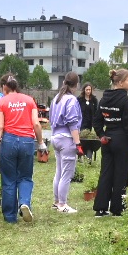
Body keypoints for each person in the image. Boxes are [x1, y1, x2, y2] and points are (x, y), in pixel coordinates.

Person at [0, 74, 45, 222]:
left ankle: (10, 216)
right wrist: (41, 143)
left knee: (8, 179)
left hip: (9, 142)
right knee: (25, 177)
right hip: (27, 142)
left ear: (4, 87)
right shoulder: (29, 100)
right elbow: (36, 124)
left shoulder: (1, 102)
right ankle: (24, 203)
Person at [94, 68, 128, 217]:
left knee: (106, 173)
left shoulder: (104, 98)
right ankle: (117, 208)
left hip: (107, 140)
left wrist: (101, 135)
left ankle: (100, 208)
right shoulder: (125, 100)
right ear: (120, 82)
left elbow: (97, 121)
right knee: (121, 174)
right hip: (122, 141)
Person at [49, 72, 84, 213]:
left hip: (55, 137)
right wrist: (78, 143)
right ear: (76, 85)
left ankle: (56, 202)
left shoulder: (56, 98)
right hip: (66, 139)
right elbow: (72, 123)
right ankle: (63, 205)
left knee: (59, 171)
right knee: (67, 174)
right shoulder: (71, 100)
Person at [79, 84, 102, 162]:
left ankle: (88, 155)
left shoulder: (94, 100)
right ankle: (80, 155)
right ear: (84, 90)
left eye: (89, 90)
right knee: (82, 139)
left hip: (90, 123)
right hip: (81, 123)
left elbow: (96, 112)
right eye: (87, 90)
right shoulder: (79, 99)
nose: (88, 91)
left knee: (88, 140)